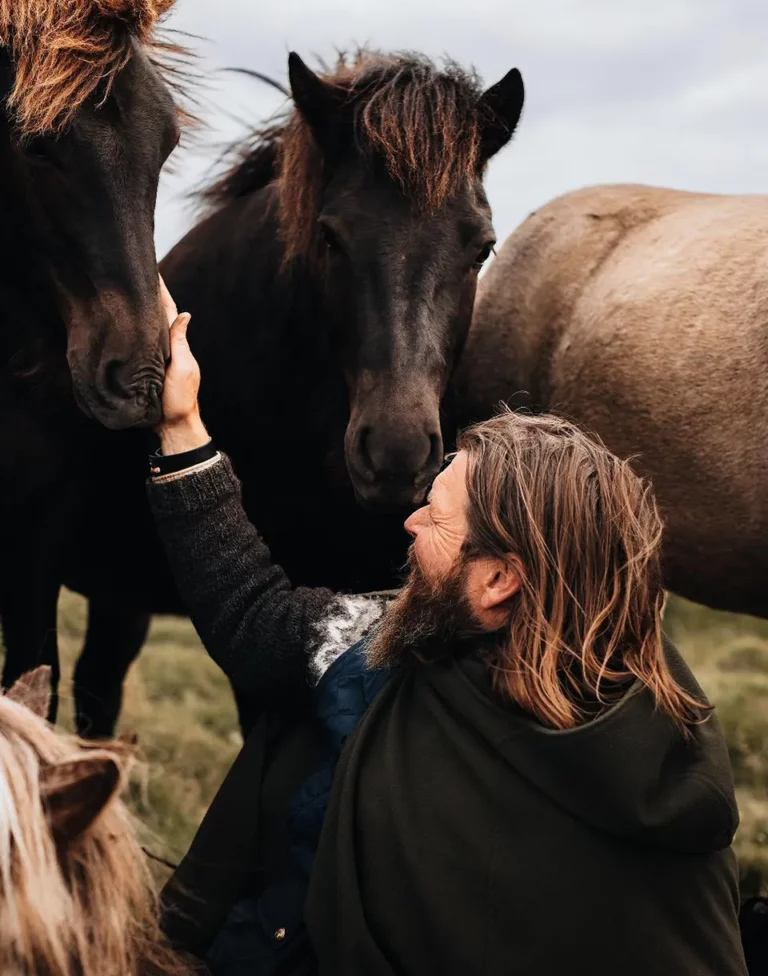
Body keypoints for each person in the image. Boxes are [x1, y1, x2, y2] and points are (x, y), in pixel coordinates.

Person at [150, 281, 748, 976]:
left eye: (434, 514)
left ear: (499, 580)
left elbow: (255, 619)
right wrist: (183, 422)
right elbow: (260, 621)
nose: (409, 523)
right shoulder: (666, 718)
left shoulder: (394, 681)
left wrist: (177, 425)